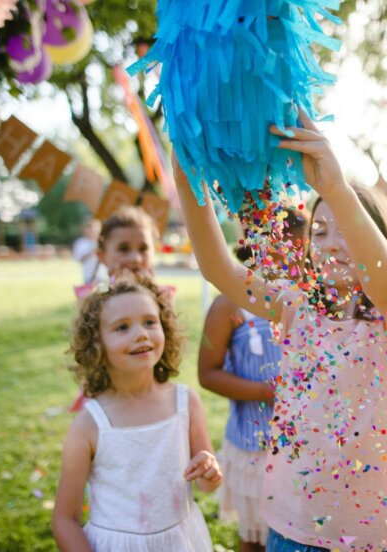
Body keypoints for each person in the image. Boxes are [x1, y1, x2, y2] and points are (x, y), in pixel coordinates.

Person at [174, 111, 387, 551]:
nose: (331, 243)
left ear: (380, 240)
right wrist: (186, 171)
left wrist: (334, 187)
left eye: (346, 231)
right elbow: (218, 268)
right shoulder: (294, 308)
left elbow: (385, 283)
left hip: (376, 526)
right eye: (320, 230)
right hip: (294, 523)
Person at [52, 274, 221, 552]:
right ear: (97, 345)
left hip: (181, 541)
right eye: (122, 327)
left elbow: (205, 484)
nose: (141, 333)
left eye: (149, 322)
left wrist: (210, 470)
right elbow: (65, 519)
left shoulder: (185, 402)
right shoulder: (90, 425)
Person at [198, 208, 307, 552]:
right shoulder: (228, 305)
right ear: (254, 243)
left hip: (305, 445)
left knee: (302, 534)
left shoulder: (307, 299)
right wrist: (266, 391)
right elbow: (207, 373)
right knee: (256, 538)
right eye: (280, 242)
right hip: (254, 445)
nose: (290, 253)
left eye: (298, 245)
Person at [71, 206, 161, 411]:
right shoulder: (96, 301)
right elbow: (89, 355)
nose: (135, 258)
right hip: (112, 394)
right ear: (101, 255)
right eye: (123, 249)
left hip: (152, 392)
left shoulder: (161, 297)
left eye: (143, 248)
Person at [72, 219, 106, 285]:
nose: (92, 230)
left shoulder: (103, 241)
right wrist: (93, 250)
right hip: (89, 278)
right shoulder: (80, 243)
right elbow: (80, 259)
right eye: (89, 227)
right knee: (92, 295)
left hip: (103, 277)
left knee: (104, 294)